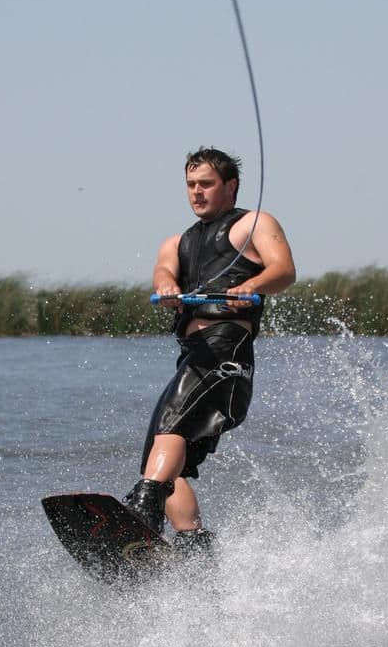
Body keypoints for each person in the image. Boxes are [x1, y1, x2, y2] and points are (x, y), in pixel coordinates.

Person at [124, 146, 296, 550]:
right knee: (162, 456)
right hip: (194, 355)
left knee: (168, 436)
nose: (197, 192)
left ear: (230, 186)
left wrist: (252, 286)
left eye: (206, 184)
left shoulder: (252, 224)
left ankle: (143, 511)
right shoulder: (177, 243)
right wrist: (167, 287)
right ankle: (193, 546)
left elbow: (284, 270)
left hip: (226, 352)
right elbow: (164, 270)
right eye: (190, 185)